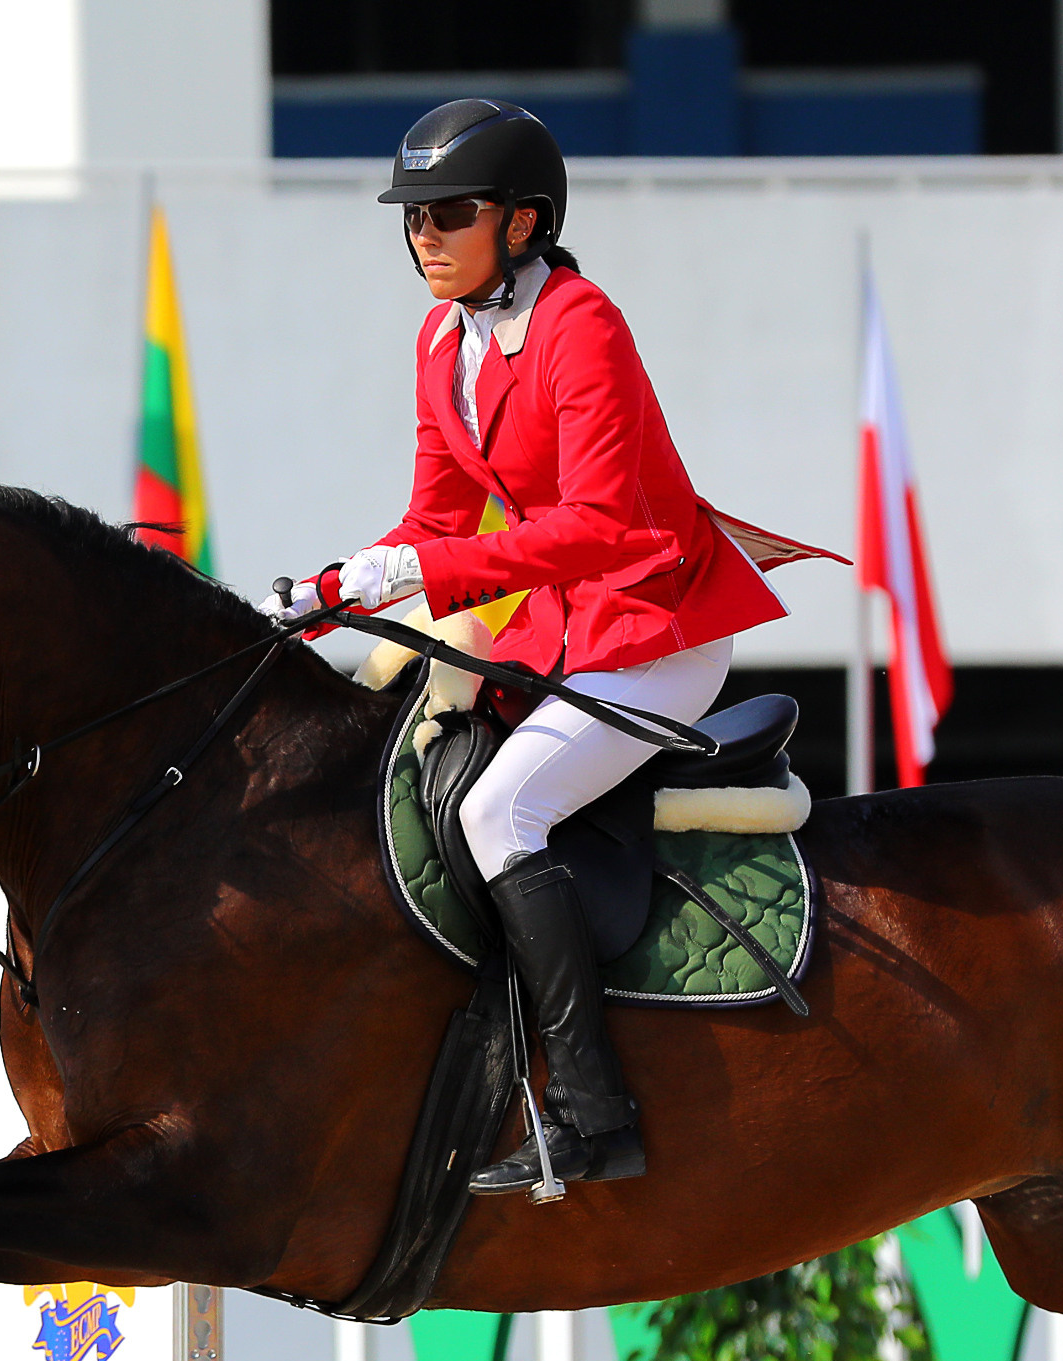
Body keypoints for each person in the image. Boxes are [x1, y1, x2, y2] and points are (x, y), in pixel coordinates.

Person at [263, 98, 827, 1195]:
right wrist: (334, 585)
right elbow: (431, 522)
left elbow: (607, 526)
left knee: (496, 811)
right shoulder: (442, 339)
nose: (424, 235)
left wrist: (421, 574)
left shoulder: (581, 325)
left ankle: (590, 1110)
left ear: (520, 224)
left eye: (450, 213)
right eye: (413, 217)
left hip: (650, 627)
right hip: (555, 631)